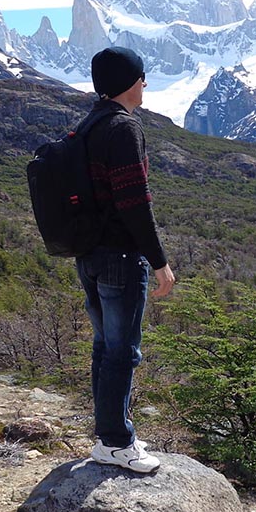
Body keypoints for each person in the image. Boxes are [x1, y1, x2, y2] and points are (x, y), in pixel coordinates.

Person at [80, 46, 176, 474]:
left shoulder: (89, 124)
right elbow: (135, 204)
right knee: (122, 353)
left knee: (104, 348)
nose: (146, 83)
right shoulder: (124, 128)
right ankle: (118, 443)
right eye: (142, 76)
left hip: (89, 254)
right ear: (129, 82)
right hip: (120, 257)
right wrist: (159, 262)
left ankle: (108, 437)